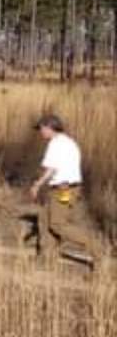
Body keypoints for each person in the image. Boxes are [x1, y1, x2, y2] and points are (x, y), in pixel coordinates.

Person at [29, 115, 109, 272]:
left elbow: (51, 169)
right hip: (65, 188)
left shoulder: (55, 144)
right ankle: (47, 258)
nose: (40, 132)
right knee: (44, 218)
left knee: (57, 224)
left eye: (41, 129)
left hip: (64, 188)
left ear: (49, 127)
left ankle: (97, 249)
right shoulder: (69, 142)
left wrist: (37, 185)